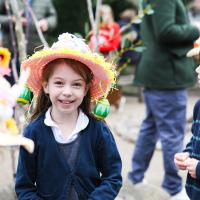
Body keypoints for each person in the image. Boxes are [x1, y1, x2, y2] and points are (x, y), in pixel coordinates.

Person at [15, 32, 122, 200]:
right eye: (59, 83)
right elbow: (24, 187)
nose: (67, 92)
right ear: (46, 86)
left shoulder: (98, 130)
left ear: (85, 89)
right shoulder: (33, 133)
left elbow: (113, 177)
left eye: (76, 84)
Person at [127, 0, 200, 199]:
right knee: (172, 132)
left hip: (158, 74)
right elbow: (166, 31)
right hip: (167, 75)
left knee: (150, 128)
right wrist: (195, 29)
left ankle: (135, 177)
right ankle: (173, 187)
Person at [0, 0, 57, 85]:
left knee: (34, 85)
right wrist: (12, 20)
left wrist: (47, 23)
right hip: (11, 53)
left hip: (37, 53)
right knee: (11, 85)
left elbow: (53, 17)